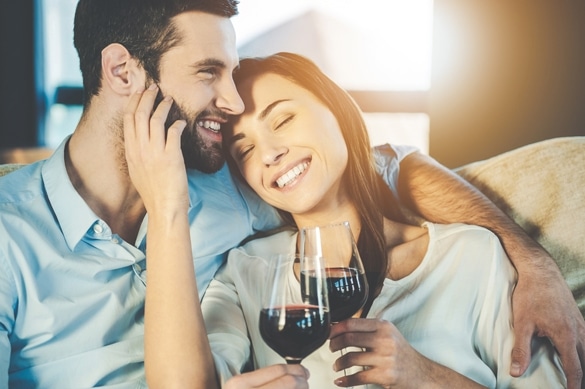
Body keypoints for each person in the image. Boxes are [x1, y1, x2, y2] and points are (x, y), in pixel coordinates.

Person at [0, 0, 582, 386]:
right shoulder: (9, 236)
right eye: (209, 72)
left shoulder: (236, 186)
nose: (232, 106)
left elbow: (388, 164)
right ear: (123, 72)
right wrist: (168, 209)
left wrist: (530, 258)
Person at [131, 52, 567, 388]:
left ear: (339, 111)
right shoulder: (247, 273)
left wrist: (425, 376)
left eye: (282, 119)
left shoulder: (472, 256)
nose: (269, 154)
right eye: (244, 150)